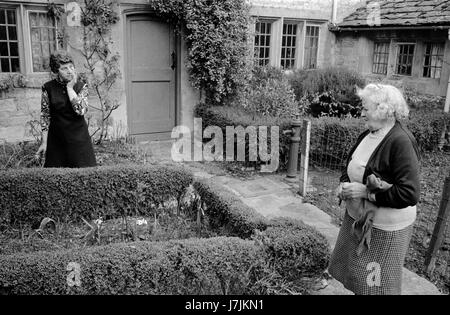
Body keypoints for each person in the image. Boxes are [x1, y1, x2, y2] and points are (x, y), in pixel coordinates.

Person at [328, 83, 420, 295]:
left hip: (384, 230)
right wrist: (344, 183)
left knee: (377, 287)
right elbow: (350, 167)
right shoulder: (368, 135)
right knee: (358, 279)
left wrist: (364, 192)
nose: (361, 113)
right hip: (358, 220)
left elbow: (409, 193)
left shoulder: (401, 141)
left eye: (365, 109)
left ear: (383, 110)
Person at [36, 50, 96, 168]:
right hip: (57, 140)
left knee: (84, 176)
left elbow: (81, 110)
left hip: (79, 140)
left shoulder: (81, 86)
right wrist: (44, 142)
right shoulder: (48, 88)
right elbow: (45, 116)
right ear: (56, 70)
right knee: (56, 178)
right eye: (64, 68)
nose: (69, 71)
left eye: (71, 67)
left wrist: (70, 88)